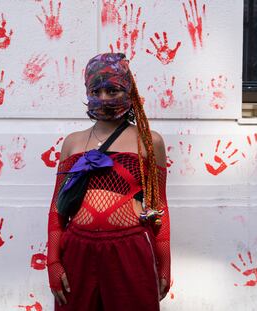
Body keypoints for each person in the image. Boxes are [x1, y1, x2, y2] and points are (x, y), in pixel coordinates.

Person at [47, 53, 170, 311]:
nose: (103, 98)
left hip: (130, 250)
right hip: (77, 251)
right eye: (96, 90)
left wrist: (164, 264)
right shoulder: (72, 142)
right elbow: (58, 208)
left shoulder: (149, 141)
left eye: (112, 90)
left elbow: (160, 206)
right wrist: (54, 263)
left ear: (129, 91)